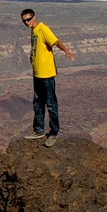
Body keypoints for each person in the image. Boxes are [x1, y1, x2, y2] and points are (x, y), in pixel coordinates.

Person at [21, 8, 75, 147]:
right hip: (38, 74)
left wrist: (67, 51)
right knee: (38, 103)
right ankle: (38, 130)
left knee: (51, 104)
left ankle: (54, 132)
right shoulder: (34, 31)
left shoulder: (43, 29)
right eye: (24, 21)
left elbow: (56, 41)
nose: (26, 22)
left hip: (47, 74)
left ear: (34, 17)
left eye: (28, 19)